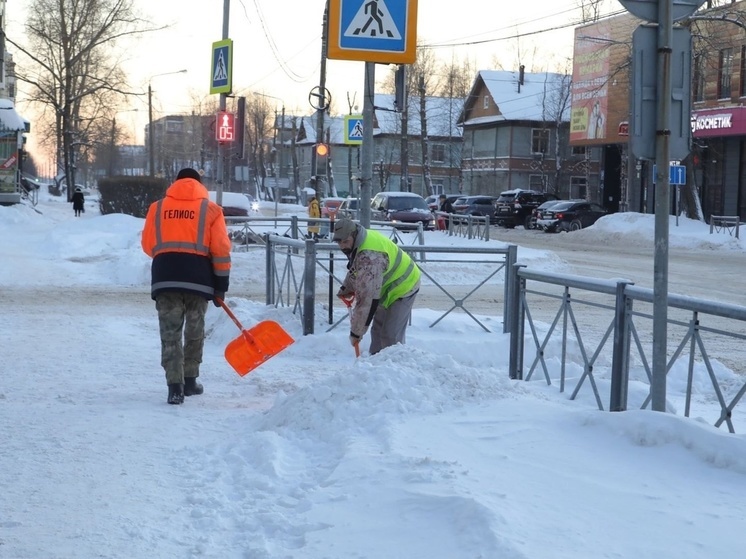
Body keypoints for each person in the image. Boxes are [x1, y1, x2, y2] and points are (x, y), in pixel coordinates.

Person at [141, 168, 232, 405]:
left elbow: (148, 244)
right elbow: (221, 250)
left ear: (175, 183)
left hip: (165, 276)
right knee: (195, 331)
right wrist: (220, 284)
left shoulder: (157, 208)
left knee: (169, 334)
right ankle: (191, 381)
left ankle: (175, 387)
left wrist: (168, 255)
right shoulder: (211, 210)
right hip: (198, 278)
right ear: (200, 184)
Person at [333, 218, 421, 355]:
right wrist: (347, 288)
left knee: (391, 336)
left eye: (345, 242)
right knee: (378, 331)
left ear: (354, 235)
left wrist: (356, 332)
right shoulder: (360, 240)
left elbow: (367, 300)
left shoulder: (370, 257)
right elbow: (357, 269)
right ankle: (375, 368)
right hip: (385, 285)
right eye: (339, 242)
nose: (343, 246)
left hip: (404, 285)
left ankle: (396, 370)